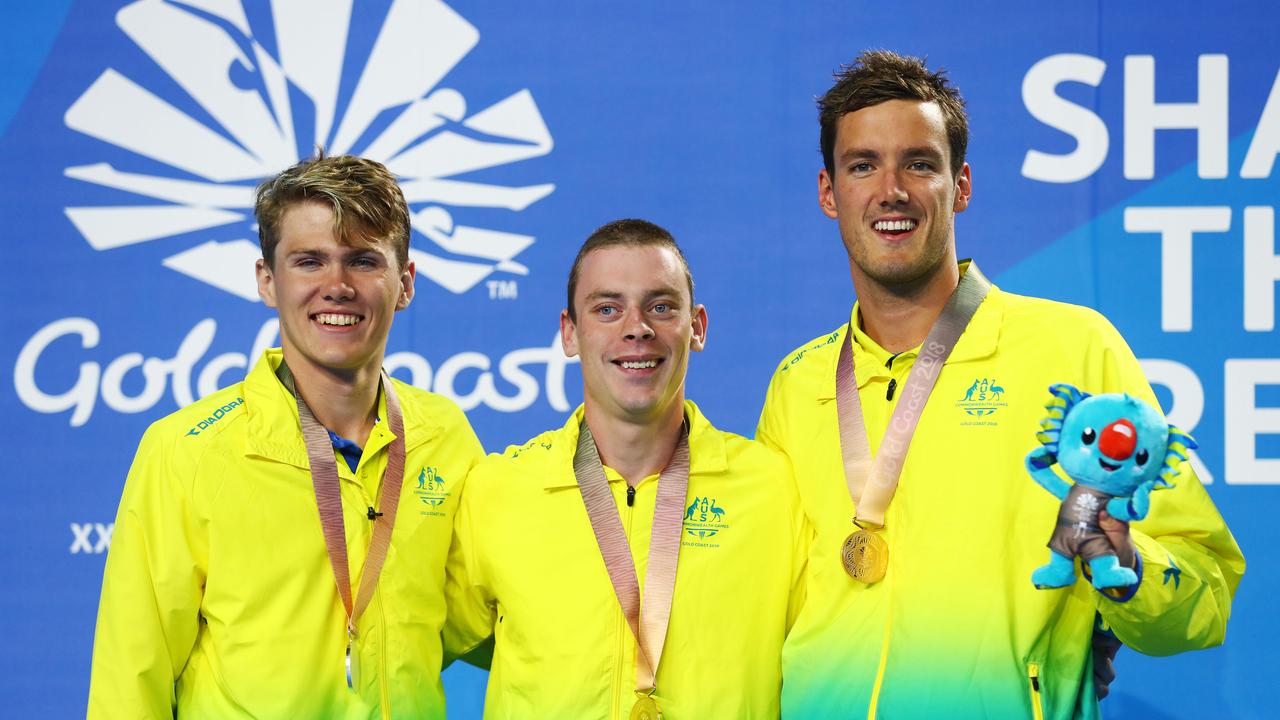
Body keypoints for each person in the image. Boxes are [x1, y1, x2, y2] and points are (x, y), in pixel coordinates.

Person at [755, 51, 1245, 718]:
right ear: (827, 191)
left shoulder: (1072, 349)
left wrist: (1124, 565)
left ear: (960, 186)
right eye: (862, 164)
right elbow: (765, 603)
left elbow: (1205, 590)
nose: (890, 189)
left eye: (919, 164)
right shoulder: (797, 383)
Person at [87, 154, 484, 718]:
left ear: (405, 283)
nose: (337, 286)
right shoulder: (185, 451)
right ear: (267, 281)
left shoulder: (444, 436)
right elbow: (130, 678)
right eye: (309, 261)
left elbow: (490, 616)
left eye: (363, 261)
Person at [445, 219, 806, 718]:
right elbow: (413, 635)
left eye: (660, 306)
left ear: (696, 328)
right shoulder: (498, 491)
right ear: (570, 333)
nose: (637, 328)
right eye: (608, 309)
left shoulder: (774, 490)